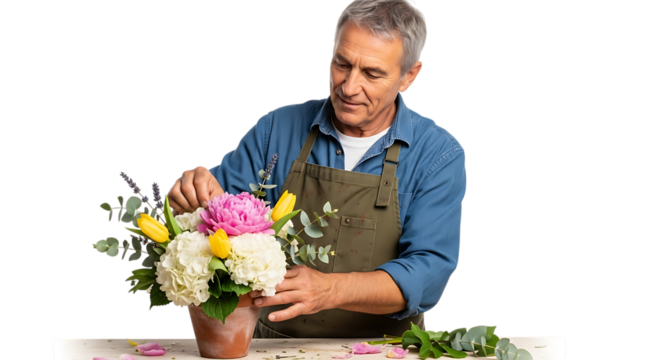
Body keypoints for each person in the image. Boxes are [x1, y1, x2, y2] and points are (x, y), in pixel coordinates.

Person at [167, 0, 466, 338]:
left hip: (386, 350)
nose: (349, 87)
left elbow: (428, 274)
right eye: (342, 64)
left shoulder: (439, 154)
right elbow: (219, 219)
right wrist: (194, 195)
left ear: (409, 76)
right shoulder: (276, 129)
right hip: (273, 347)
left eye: (372, 73)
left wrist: (331, 289)